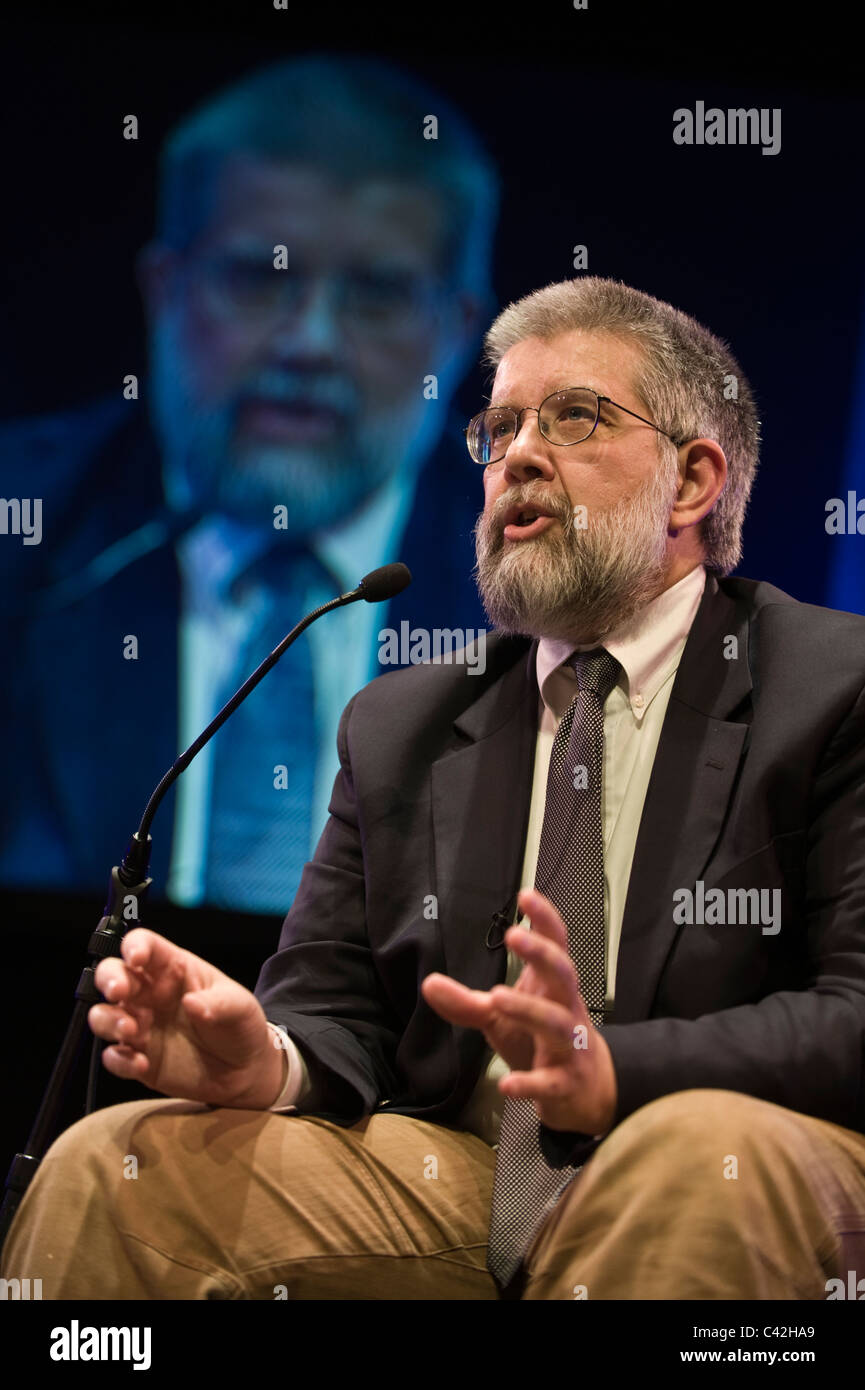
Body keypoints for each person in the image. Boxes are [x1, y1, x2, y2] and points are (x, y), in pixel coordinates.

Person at [4, 276, 865, 1301]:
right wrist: (265, 1065)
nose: (518, 458)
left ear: (690, 483)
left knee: (689, 1153)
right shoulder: (402, 724)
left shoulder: (831, 686)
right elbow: (334, 1013)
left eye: (573, 416)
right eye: (498, 428)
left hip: (736, 1158)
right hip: (461, 1184)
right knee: (121, 1164)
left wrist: (617, 1070)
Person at [0, 53, 496, 912]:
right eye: (260, 278)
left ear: (455, 333)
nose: (308, 342)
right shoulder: (26, 537)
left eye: (375, 294)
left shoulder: (557, 597)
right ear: (164, 291)